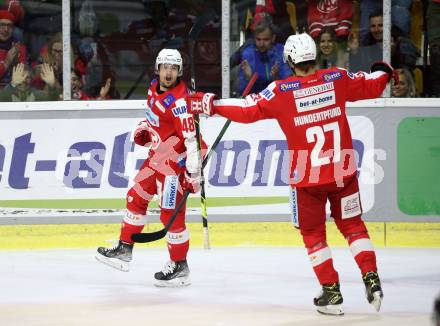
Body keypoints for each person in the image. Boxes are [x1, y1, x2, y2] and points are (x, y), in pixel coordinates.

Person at [186, 33, 397, 315]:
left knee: (313, 233)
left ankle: (331, 292)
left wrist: (209, 104)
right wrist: (383, 71)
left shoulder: (281, 91)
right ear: (314, 56)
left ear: (289, 61)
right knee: (354, 227)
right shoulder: (336, 78)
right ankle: (372, 279)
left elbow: (248, 109)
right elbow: (373, 85)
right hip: (342, 172)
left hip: (307, 179)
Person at [96, 49, 204, 287]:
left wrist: (193, 174)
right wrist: (145, 129)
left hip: (173, 166)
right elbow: (154, 117)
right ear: (158, 68)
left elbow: (194, 142)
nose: (169, 72)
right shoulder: (153, 88)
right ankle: (124, 249)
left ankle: (179, 266)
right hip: (155, 159)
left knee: (170, 216)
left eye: (174, 68)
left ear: (179, 71)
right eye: (165, 67)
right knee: (135, 196)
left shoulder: (181, 103)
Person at [237, 20, 291, 95]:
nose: (261, 44)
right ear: (254, 38)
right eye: (258, 39)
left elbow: (289, 86)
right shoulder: (248, 54)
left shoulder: (282, 52)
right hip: (256, 100)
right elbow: (242, 92)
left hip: (277, 98)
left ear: (273, 38)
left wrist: (277, 78)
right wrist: (249, 78)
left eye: (266, 40)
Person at [0, 9, 26, 88]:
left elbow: (24, 78)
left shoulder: (19, 48)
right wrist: (6, 63)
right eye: (2, 25)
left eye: (9, 26)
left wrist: (15, 61)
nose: (6, 29)